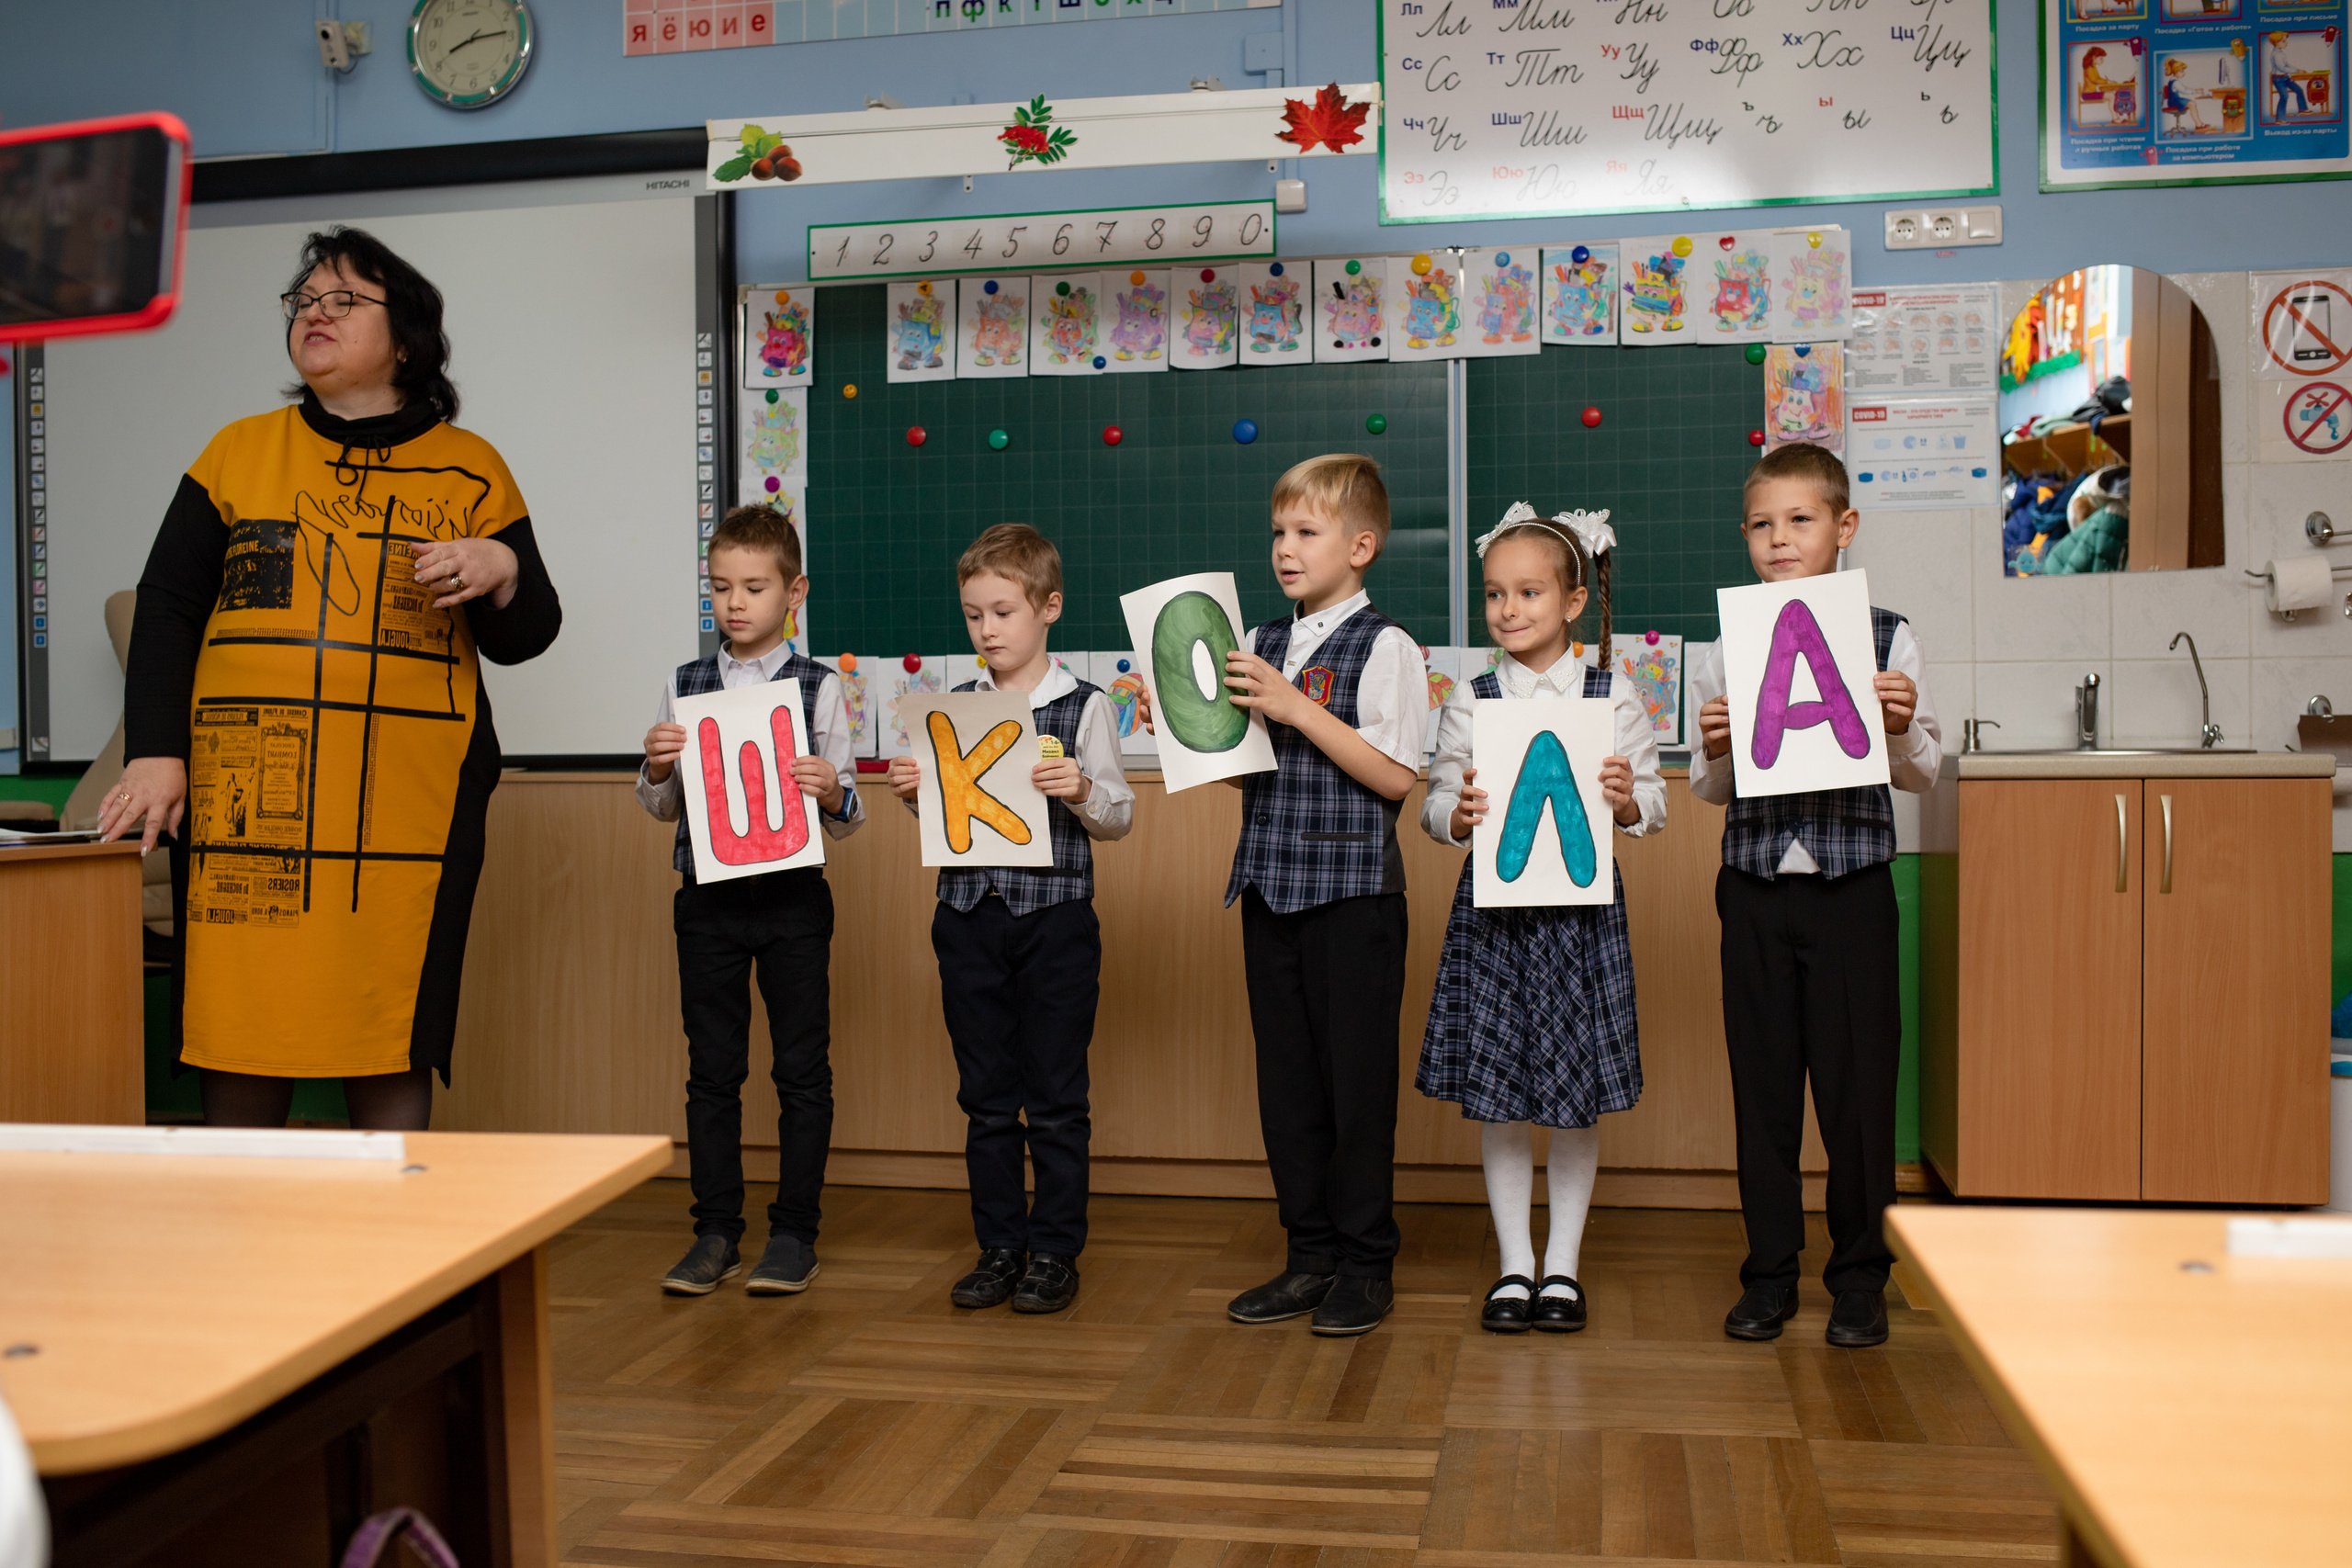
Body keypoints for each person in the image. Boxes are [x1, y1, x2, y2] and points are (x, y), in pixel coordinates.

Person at [100, 226, 561, 1131]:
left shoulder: (474, 471)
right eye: (304, 300)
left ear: (409, 338)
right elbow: (166, 611)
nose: (315, 312)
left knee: (385, 1022)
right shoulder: (236, 453)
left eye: (343, 299)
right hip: (247, 798)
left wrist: (500, 570)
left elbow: (527, 635)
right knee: (241, 1019)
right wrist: (156, 753)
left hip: (409, 813)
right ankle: (244, 1253)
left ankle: (397, 1255)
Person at [1146, 454, 1428, 1337]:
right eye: (1279, 531)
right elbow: (1257, 777)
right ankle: (1308, 1255)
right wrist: (1201, 741)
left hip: (1353, 899)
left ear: (1362, 544)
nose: (1285, 548)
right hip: (1272, 890)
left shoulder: (1387, 647)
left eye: (1306, 532)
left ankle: (1365, 1261)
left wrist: (1297, 709)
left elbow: (1393, 779)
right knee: (1290, 1086)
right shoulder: (1260, 641)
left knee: (1356, 1088)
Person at [1689, 442, 1942, 1349]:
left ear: (1843, 528)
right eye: (1760, 524)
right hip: (1754, 893)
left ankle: (1860, 1278)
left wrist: (1903, 725)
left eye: (1798, 521)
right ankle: (1767, 1276)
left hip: (1851, 896)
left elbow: (1923, 773)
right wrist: (1712, 749)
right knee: (1762, 1096)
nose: (1778, 539)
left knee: (1857, 1098)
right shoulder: (1725, 648)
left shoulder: (1889, 636)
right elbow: (1708, 793)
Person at [1419, 503, 1665, 1335]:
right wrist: (1457, 815)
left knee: (1572, 1098)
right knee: (1499, 1096)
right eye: (1495, 594)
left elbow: (1656, 806)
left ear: (1571, 601)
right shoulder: (1472, 698)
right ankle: (1512, 1264)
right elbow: (1436, 802)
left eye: (1528, 592)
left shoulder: (1610, 692)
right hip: (1495, 918)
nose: (1509, 609)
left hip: (1578, 920)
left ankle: (1562, 1266)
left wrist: (1631, 802)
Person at [889, 525, 1133, 1314]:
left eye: (1001, 611)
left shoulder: (1085, 706)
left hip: (1056, 922)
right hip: (967, 918)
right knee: (986, 1093)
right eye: (973, 615)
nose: (987, 629)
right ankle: (999, 1244)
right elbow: (952, 817)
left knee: (1056, 1094)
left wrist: (1081, 791)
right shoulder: (951, 710)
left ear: (1048, 607)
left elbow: (1118, 817)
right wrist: (916, 792)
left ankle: (1055, 1249)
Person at [639, 503, 865, 1296]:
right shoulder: (685, 682)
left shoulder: (821, 687)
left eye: (755, 587)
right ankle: (714, 1232)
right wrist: (658, 767)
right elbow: (664, 807)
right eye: (722, 587)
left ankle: (794, 1233)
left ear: (793, 592)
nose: (736, 603)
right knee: (713, 1073)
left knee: (802, 1072)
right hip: (708, 904)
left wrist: (832, 790)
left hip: (794, 901)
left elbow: (848, 819)